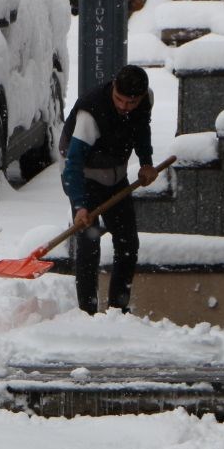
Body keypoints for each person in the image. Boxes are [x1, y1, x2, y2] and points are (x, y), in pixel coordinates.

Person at [60, 64, 158, 314]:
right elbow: (73, 165)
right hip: (84, 177)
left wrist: (146, 162)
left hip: (117, 178)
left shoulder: (144, 102)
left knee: (128, 244)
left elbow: (141, 129)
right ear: (113, 87)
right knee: (88, 244)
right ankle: (87, 312)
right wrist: (81, 205)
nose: (124, 107)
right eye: (119, 100)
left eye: (131, 102)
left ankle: (118, 309)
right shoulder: (90, 114)